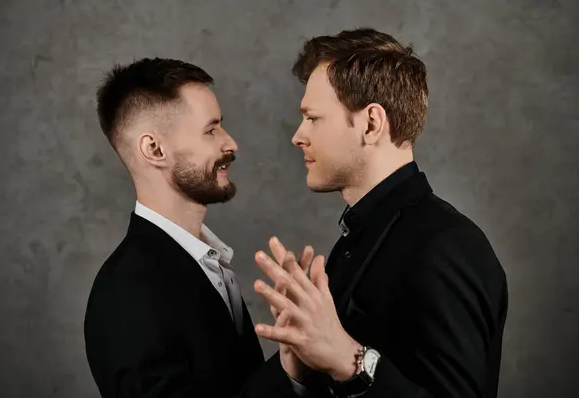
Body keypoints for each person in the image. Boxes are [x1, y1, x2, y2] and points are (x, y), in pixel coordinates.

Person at [252, 28, 509, 398]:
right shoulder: (361, 237)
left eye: (313, 118)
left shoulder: (446, 247)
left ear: (371, 123)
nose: (298, 135)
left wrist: (349, 359)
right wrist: (299, 367)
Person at [84, 58, 270, 397]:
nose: (231, 144)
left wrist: (296, 367)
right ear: (154, 149)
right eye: (211, 130)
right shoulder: (129, 291)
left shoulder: (209, 265)